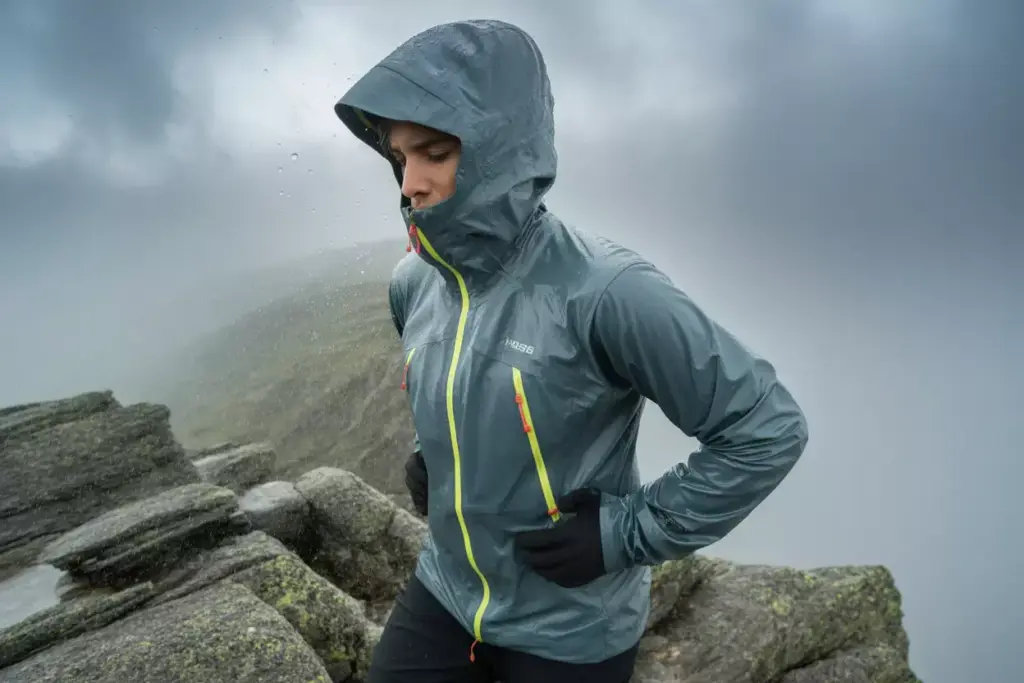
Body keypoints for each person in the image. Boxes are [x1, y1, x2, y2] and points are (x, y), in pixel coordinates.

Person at [334, 19, 809, 683]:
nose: (410, 182)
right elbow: (458, 380)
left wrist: (621, 534)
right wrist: (432, 451)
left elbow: (766, 430)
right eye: (399, 157)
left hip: (571, 628)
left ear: (501, 149)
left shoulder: (606, 291)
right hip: (446, 590)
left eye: (435, 153)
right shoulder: (414, 284)